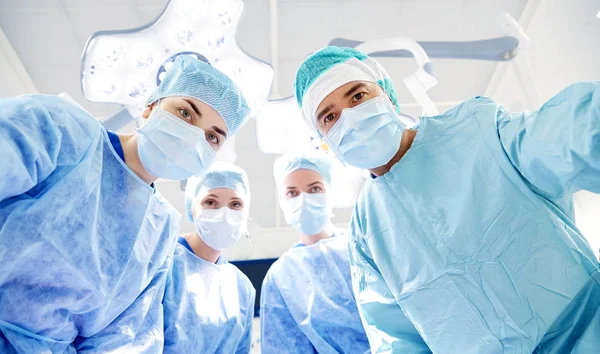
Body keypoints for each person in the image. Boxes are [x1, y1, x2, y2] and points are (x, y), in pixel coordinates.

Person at [293, 46, 600, 353]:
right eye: (329, 117)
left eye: (358, 96)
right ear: (324, 140)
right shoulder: (366, 231)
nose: (349, 118)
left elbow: (569, 136)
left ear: (386, 94)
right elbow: (396, 339)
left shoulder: (476, 129)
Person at [0, 55, 251, 353]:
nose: (193, 137)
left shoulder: (158, 231)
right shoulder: (64, 129)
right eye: (185, 113)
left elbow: (122, 337)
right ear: (149, 107)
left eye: (212, 137)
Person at [260, 150, 370, 354]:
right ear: (283, 202)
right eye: (292, 193)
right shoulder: (281, 276)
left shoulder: (362, 247)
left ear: (331, 194)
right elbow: (283, 345)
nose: (303, 199)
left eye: (314, 189)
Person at [163, 162, 255, 353]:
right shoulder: (163, 266)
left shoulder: (241, 287)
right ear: (192, 207)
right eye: (210, 202)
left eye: (235, 204)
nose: (224, 213)